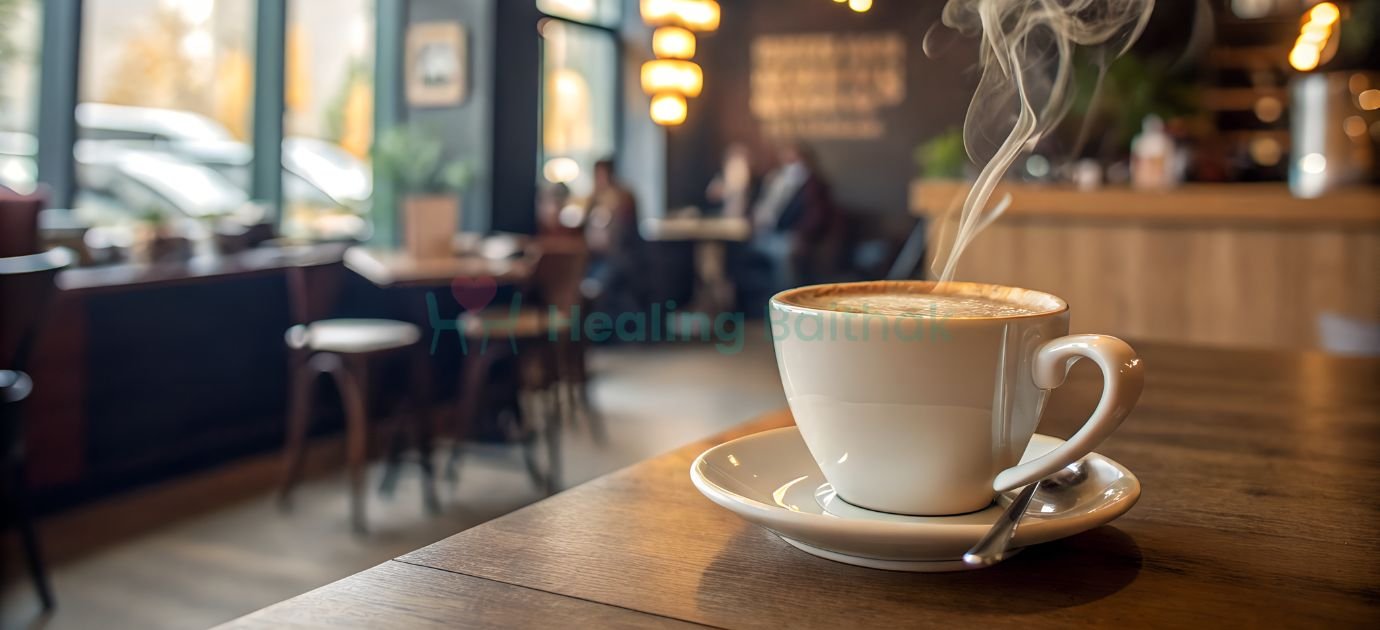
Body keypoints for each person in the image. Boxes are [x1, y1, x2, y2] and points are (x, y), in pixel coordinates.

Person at [748, 142, 838, 294]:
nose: (790, 165)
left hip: (800, 238)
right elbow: (769, 210)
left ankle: (786, 295)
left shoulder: (814, 185)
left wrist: (801, 235)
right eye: (787, 160)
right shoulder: (781, 182)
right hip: (773, 233)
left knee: (784, 253)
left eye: (794, 160)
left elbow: (817, 218)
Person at [583, 158, 645, 313]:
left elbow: (623, 235)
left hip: (621, 258)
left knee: (599, 284)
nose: (600, 179)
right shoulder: (594, 199)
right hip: (595, 258)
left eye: (602, 175)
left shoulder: (624, 198)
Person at [704, 143, 755, 218]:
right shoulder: (723, 175)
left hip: (737, 214)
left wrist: (723, 190)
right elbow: (711, 194)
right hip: (727, 213)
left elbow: (734, 188)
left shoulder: (739, 167)